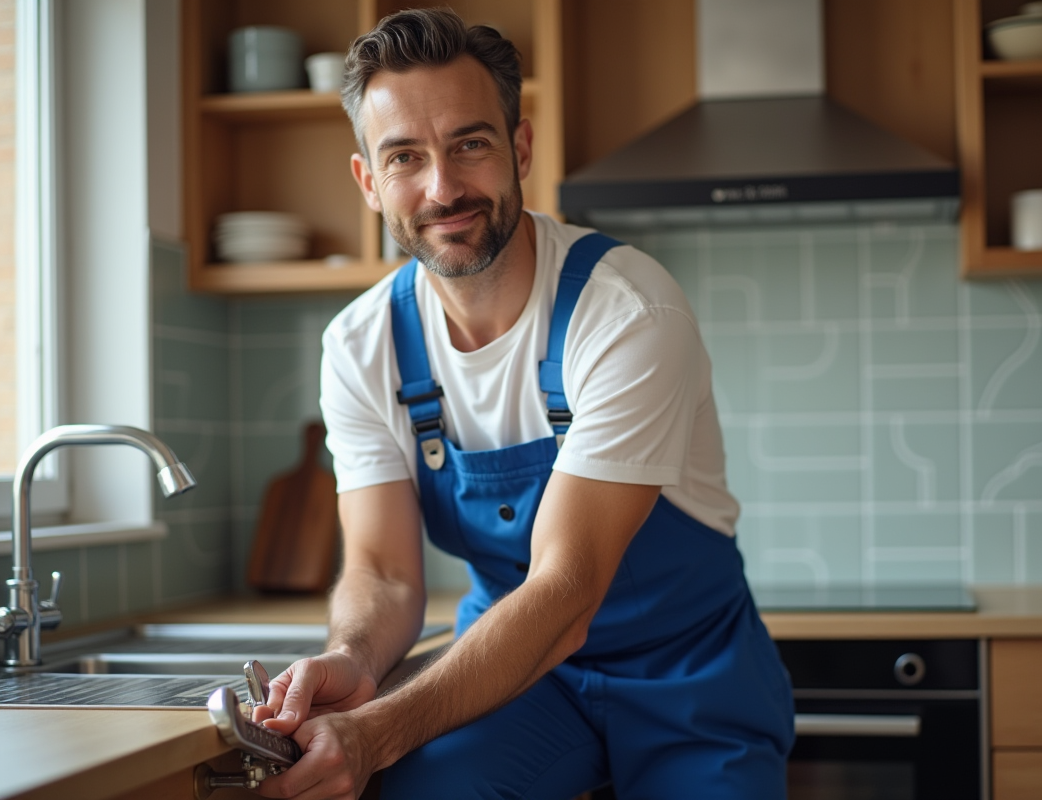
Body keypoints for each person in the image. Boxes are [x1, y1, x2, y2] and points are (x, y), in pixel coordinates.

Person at [254, 8, 793, 800]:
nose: (443, 188)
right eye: (405, 156)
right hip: (508, 679)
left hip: (691, 677)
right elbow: (385, 573)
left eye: (470, 143)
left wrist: (380, 729)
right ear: (369, 181)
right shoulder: (360, 344)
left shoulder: (627, 312)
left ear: (521, 149)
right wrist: (353, 660)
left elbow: (566, 591)